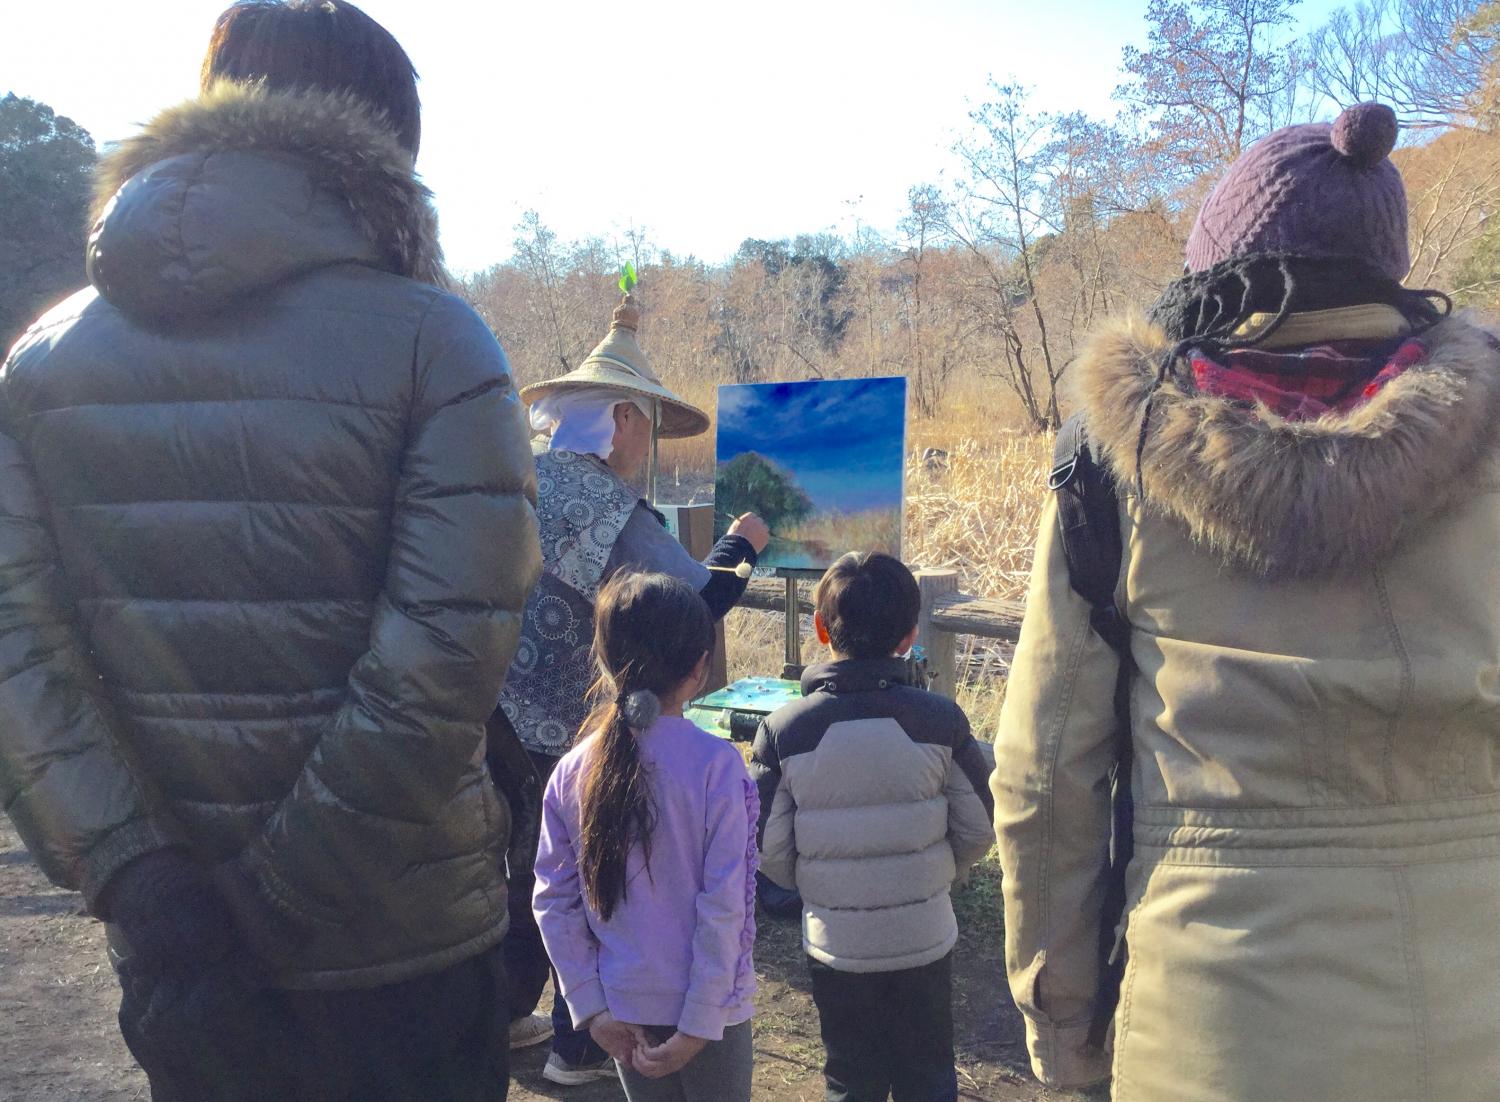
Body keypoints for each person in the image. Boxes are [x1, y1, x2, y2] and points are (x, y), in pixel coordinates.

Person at [0, 3, 539, 1100]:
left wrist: (145, 885)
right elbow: (440, 665)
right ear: (386, 145)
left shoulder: (42, 361)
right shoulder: (436, 343)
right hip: (403, 954)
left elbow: (19, 651)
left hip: (182, 966)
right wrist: (273, 911)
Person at [994, 102, 1500, 1101]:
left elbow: (1043, 775)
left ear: (1216, 273)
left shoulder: (1113, 460)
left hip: (1209, 1029)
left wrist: (1065, 1027)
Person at [498, 291, 768, 1084]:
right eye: (643, 420)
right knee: (591, 868)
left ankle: (514, 1010)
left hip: (491, 710)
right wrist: (744, 543)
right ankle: (580, 1044)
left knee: (526, 870)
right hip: (572, 724)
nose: (647, 439)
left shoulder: (522, 480)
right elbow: (694, 605)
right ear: (619, 419)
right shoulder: (609, 506)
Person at [750, 552, 996, 1102]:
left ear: (819, 629)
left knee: (850, 1077)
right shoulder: (940, 719)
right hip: (925, 935)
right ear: (909, 636)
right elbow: (979, 827)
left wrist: (813, 882)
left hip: (837, 942)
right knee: (928, 1073)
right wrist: (933, 872)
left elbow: (767, 845)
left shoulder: (785, 729)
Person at [532, 571, 758, 1102]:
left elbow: (553, 900)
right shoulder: (718, 767)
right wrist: (701, 1023)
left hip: (622, 1012)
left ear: (605, 660)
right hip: (713, 1014)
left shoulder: (571, 770)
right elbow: (726, 904)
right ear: (700, 667)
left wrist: (591, 1010)